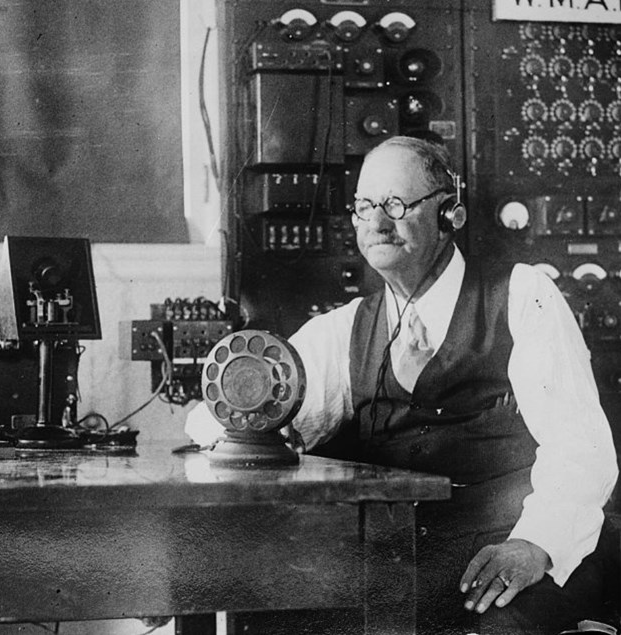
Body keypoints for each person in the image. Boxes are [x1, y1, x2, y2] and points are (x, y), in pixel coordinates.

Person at [186, 136, 619, 634]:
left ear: (448, 215)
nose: (376, 223)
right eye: (364, 206)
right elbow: (239, 414)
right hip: (403, 555)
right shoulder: (348, 326)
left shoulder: (523, 296)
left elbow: (580, 448)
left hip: (513, 543)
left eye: (395, 204)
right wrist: (247, 416)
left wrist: (535, 546)